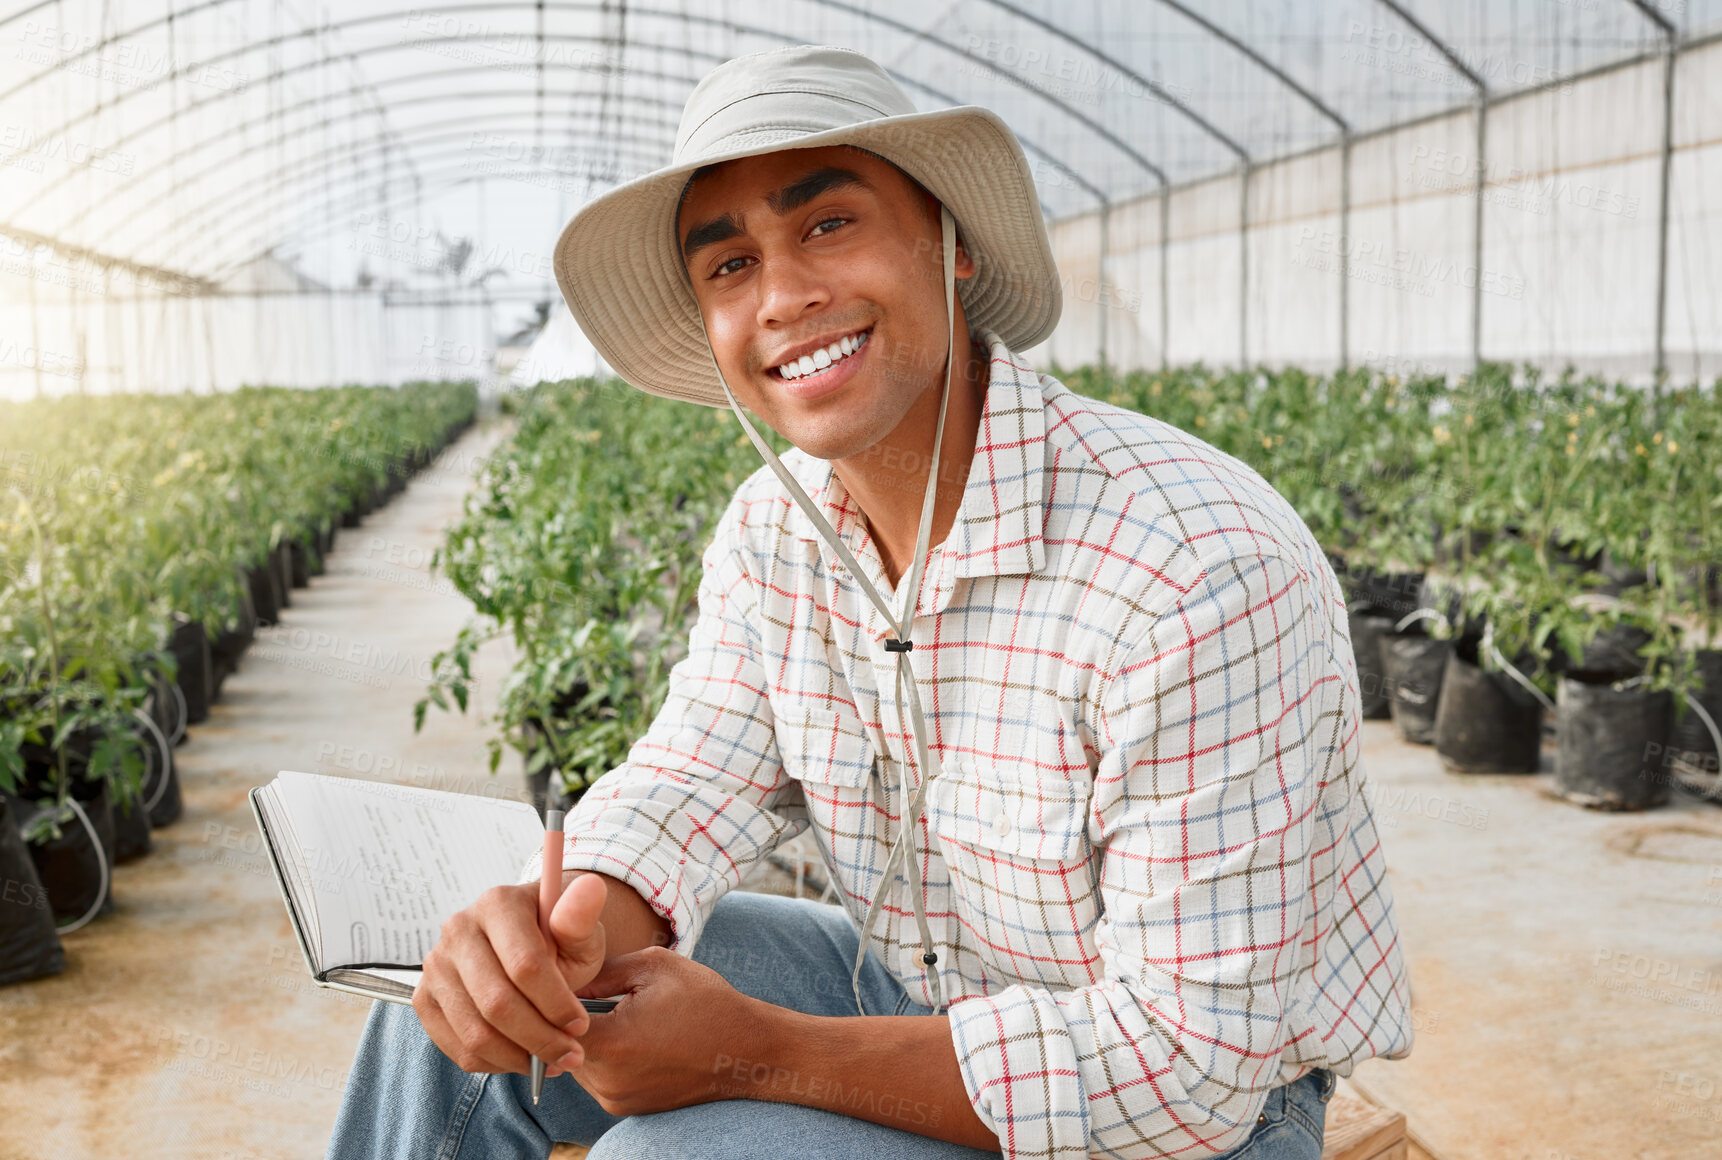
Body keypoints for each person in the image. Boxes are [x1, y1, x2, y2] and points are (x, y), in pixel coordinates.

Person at [326, 45, 1413, 1160]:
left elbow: (1189, 1072)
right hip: (917, 991)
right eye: (731, 264)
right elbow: (689, 778)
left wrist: (751, 1051)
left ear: (953, 245)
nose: (786, 297)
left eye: (829, 224)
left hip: (1202, 1116)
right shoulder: (775, 530)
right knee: (444, 1016)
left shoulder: (1189, 566)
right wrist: (561, 930)